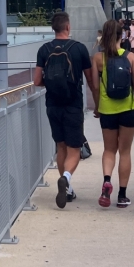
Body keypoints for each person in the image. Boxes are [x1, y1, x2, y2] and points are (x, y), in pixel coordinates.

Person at [33, 11, 95, 209]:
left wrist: (51, 85)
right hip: (73, 104)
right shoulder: (79, 49)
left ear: (54, 28)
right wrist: (97, 100)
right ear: (67, 27)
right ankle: (66, 178)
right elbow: (90, 79)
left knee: (60, 146)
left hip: (52, 104)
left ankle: (67, 190)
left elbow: (36, 81)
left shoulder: (44, 49)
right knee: (74, 149)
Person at [91, 19, 134, 209]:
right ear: (121, 35)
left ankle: (107, 181)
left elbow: (95, 87)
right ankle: (122, 195)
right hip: (129, 109)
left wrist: (98, 107)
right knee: (125, 151)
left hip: (107, 110)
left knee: (109, 150)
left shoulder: (98, 59)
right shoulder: (130, 57)